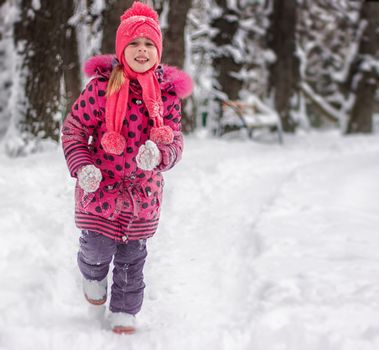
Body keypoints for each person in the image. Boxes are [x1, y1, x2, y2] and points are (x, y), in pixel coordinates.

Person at [61, 1, 192, 334]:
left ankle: (124, 311)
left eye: (149, 43)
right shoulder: (101, 90)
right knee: (96, 250)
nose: (142, 49)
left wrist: (161, 155)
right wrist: (82, 166)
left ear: (158, 50)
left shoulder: (167, 97)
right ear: (122, 49)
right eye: (134, 43)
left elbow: (175, 142)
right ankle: (91, 275)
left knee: (132, 260)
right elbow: (74, 129)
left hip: (142, 196)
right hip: (100, 189)